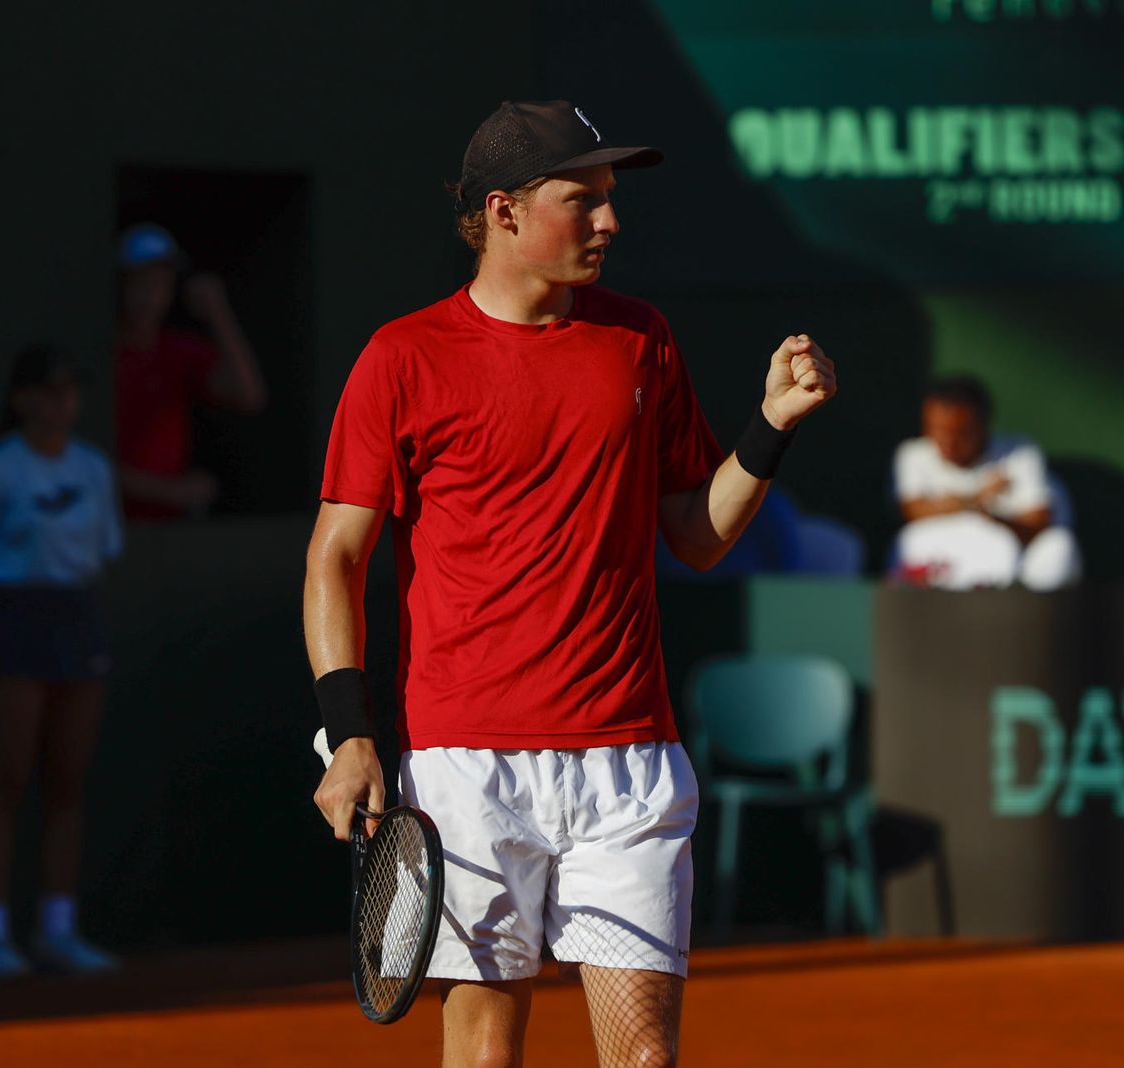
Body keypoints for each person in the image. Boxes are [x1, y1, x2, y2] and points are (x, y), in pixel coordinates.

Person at [304, 100, 836, 1066]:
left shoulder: (642, 340)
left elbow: (695, 534)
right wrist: (350, 735)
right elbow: (336, 555)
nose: (609, 222)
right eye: (581, 200)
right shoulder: (402, 357)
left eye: (611, 199)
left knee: (643, 1059)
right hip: (469, 766)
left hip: (629, 759)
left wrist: (770, 427)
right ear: (502, 211)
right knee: (487, 1054)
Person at [0, 344, 124, 977]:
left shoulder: (94, 470)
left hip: (73, 623)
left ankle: (57, 928)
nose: (63, 402)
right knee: (6, 778)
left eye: (71, 390)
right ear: (22, 399)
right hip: (11, 625)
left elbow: (101, 554)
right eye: (50, 390)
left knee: (67, 780)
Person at [114, 223, 268, 519]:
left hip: (168, 529)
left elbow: (249, 396)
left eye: (160, 282)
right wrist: (173, 491)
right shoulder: (103, 354)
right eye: (141, 282)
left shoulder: (176, 351)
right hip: (108, 528)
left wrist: (217, 311)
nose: (151, 295)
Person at [893, 375, 1080, 589]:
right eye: (938, 430)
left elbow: (1037, 521)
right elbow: (913, 511)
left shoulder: (1020, 453)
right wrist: (976, 499)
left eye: (960, 434)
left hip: (1011, 570)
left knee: (1059, 544)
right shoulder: (912, 454)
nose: (948, 443)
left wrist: (989, 518)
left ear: (983, 425)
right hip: (941, 568)